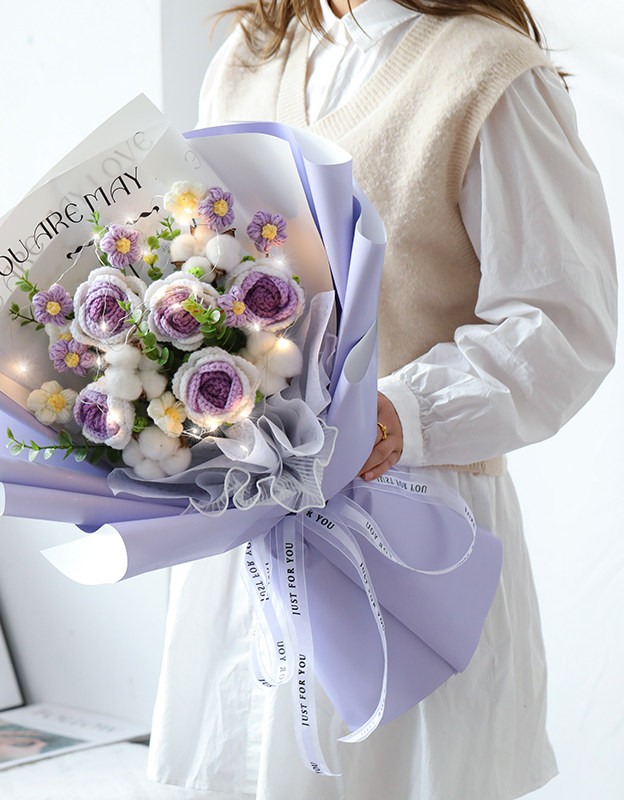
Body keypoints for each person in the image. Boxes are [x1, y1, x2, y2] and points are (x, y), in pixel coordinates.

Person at [147, 1, 617, 798]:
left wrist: (399, 414)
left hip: (412, 527)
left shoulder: (489, 76)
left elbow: (563, 322)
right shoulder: (249, 58)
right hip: (253, 525)